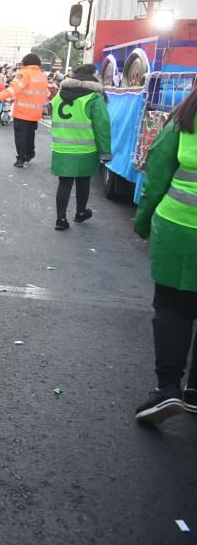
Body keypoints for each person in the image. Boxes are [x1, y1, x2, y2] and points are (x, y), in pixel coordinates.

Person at [133, 83, 197, 423]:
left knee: (173, 307)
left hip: (179, 231)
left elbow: (156, 178)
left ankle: (168, 388)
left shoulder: (182, 122)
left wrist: (142, 223)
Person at [50, 65, 112, 230]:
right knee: (83, 182)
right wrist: (105, 151)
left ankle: (60, 219)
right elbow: (102, 126)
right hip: (85, 149)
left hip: (61, 147)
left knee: (64, 183)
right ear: (92, 77)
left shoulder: (59, 95)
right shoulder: (93, 98)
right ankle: (80, 213)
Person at [0, 53, 50, 167]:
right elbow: (47, 93)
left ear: (25, 62)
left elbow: (13, 89)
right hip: (35, 113)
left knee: (20, 137)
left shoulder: (24, 73)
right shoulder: (42, 75)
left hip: (22, 112)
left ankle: (21, 158)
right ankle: (30, 154)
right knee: (30, 135)